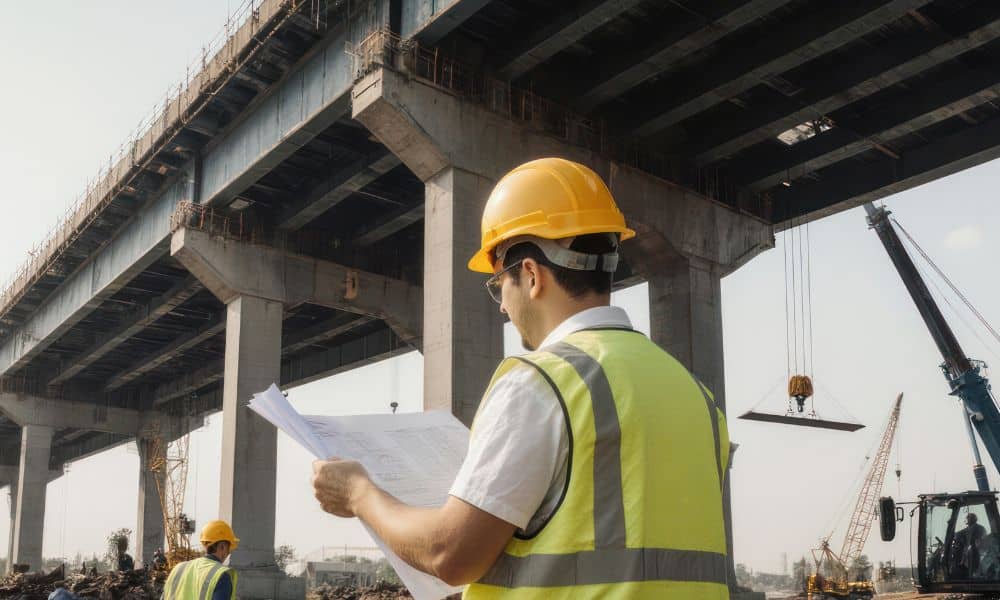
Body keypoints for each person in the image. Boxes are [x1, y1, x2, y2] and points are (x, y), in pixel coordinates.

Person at [312, 157, 731, 598]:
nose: (501, 307)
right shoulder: (695, 395)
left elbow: (449, 554)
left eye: (499, 286)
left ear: (530, 275)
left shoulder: (544, 383)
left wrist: (360, 494)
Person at [162, 521, 239, 600]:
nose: (229, 552)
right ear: (222, 546)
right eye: (229, 547)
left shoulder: (178, 569)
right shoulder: (221, 576)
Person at [952, 512, 988, 579]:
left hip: (975, 558)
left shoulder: (980, 529)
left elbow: (982, 544)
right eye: (967, 517)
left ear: (973, 519)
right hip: (963, 561)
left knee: (972, 576)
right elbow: (957, 535)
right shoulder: (964, 531)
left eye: (968, 517)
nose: (966, 519)